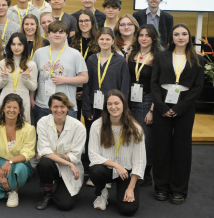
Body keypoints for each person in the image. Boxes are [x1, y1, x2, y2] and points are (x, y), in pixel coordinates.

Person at [150, 23, 204, 204]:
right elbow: (154, 83)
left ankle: (178, 189)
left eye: (184, 34)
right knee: (161, 147)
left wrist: (179, 108)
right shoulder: (161, 56)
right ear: (171, 37)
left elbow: (197, 88)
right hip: (162, 105)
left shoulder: (197, 58)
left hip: (185, 106)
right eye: (176, 34)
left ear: (189, 37)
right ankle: (161, 186)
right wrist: (162, 107)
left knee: (182, 149)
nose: (180, 37)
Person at [88, 90, 145, 215]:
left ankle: (125, 189)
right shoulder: (97, 126)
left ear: (123, 105)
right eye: (109, 104)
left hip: (126, 172)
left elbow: (140, 161)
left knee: (128, 210)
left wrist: (131, 188)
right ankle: (102, 191)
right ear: (105, 107)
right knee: (95, 170)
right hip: (106, 168)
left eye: (116, 103)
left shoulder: (136, 128)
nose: (113, 107)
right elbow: (93, 155)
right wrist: (116, 165)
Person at [0, 94, 35, 207]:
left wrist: (10, 162)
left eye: (15, 107)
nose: (11, 110)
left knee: (18, 170)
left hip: (19, 164)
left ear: (20, 111)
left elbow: (27, 153)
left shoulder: (29, 129)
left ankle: (14, 191)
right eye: (8, 107)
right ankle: (5, 191)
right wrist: (0, 173)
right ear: (3, 109)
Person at [35, 93, 86, 210]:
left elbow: (76, 156)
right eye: (55, 107)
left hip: (69, 170)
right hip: (63, 165)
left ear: (68, 108)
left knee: (65, 205)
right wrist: (67, 161)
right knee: (44, 162)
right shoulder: (42, 122)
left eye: (62, 107)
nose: (59, 110)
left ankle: (60, 186)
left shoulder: (78, 127)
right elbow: (44, 151)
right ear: (50, 108)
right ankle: (47, 193)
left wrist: (52, 155)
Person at [32, 21, 88, 124]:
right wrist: (32, 99)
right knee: (42, 139)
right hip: (42, 106)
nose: (57, 35)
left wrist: (65, 80)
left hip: (66, 107)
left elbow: (84, 77)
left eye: (61, 32)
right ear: (48, 34)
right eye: (54, 32)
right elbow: (33, 78)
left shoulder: (75, 54)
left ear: (66, 35)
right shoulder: (39, 53)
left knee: (67, 139)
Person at [128, 25, 161, 184]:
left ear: (153, 38)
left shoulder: (158, 57)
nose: (144, 38)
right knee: (132, 137)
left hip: (147, 101)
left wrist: (152, 110)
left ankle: (146, 173)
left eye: (148, 35)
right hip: (130, 100)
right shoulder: (132, 54)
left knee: (145, 138)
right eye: (141, 35)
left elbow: (159, 85)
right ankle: (134, 169)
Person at [82, 28, 131, 126]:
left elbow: (125, 87)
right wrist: (87, 109)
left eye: (108, 39)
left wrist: (121, 108)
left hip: (113, 107)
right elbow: (87, 86)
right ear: (97, 41)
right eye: (102, 39)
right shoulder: (91, 60)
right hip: (94, 107)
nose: (104, 42)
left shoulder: (120, 61)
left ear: (113, 41)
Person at [0, 33, 37, 119]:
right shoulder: (3, 63)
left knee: (22, 129)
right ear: (9, 46)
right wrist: (4, 79)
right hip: (5, 99)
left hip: (23, 100)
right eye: (13, 44)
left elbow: (33, 87)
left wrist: (26, 79)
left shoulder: (31, 64)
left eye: (20, 44)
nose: (16, 48)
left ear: (25, 46)